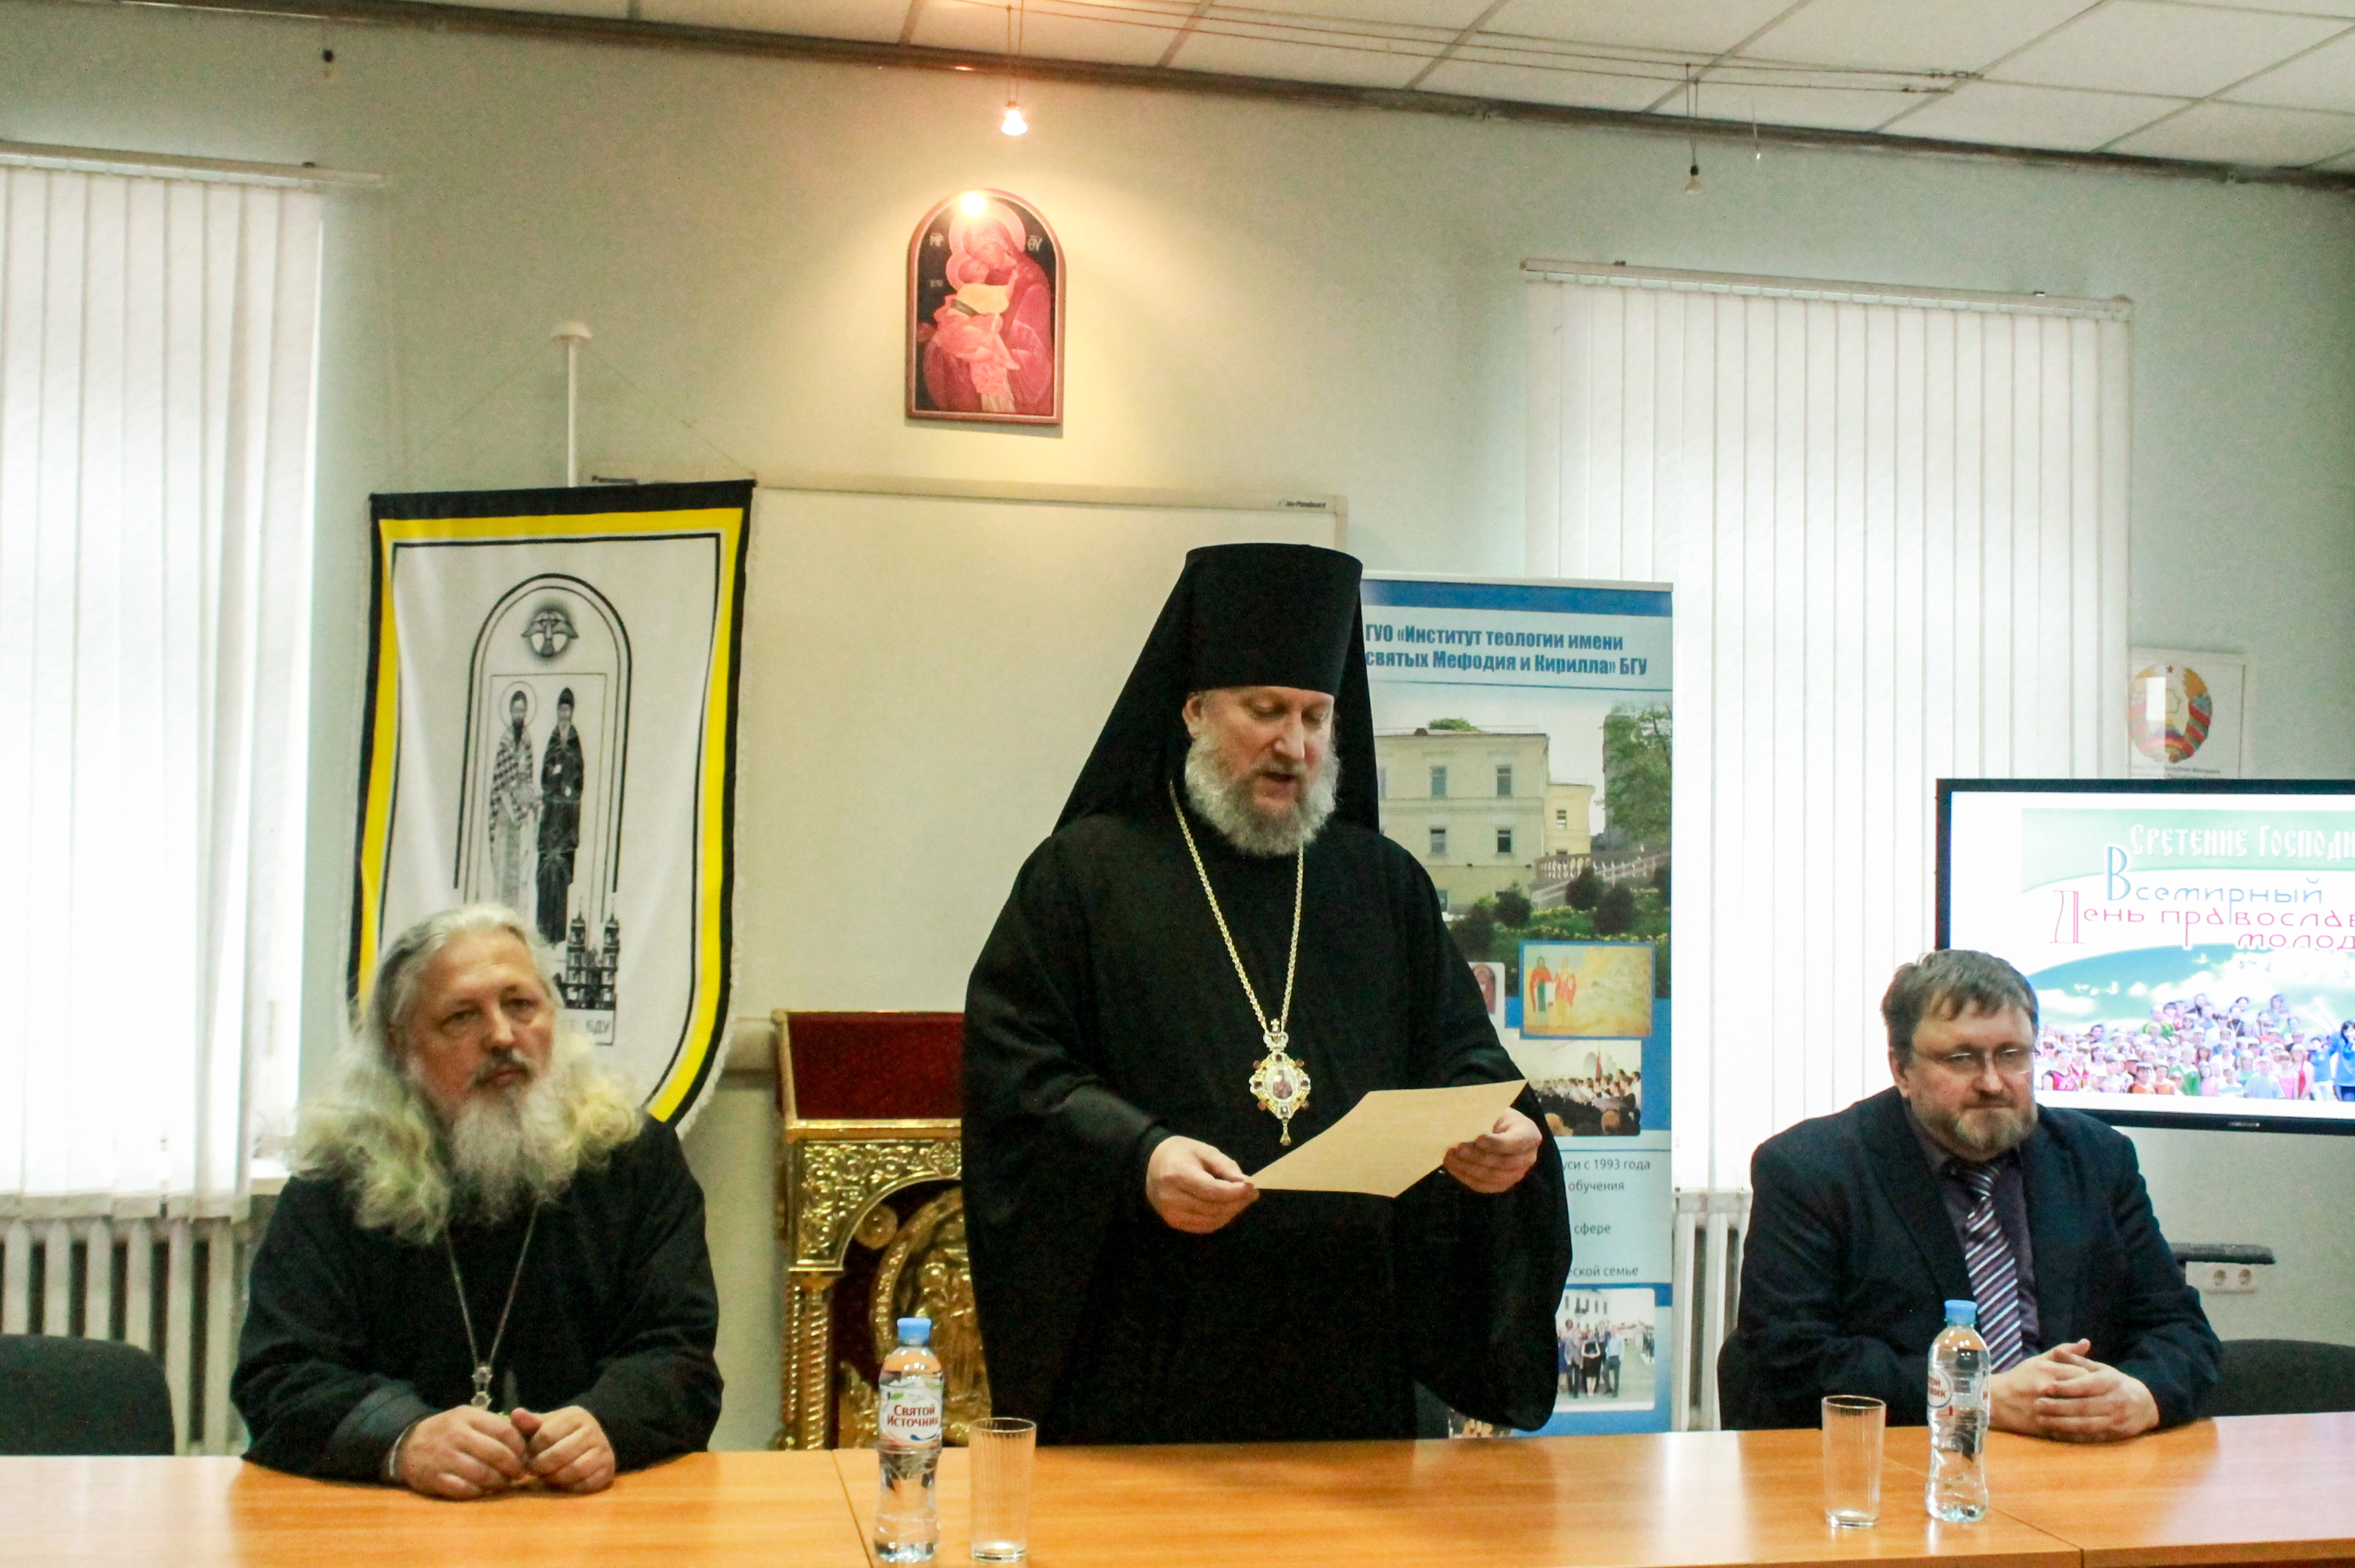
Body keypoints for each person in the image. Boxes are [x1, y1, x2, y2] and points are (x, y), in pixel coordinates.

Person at [961, 542, 1569, 1445]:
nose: (1295, 745)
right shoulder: (1083, 874)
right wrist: (1139, 1155)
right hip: (1150, 1351)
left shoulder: (1381, 883)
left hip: (1351, 1349)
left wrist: (1504, 1129)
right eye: (1266, 710)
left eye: (1316, 716)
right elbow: (1017, 1073)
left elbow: (1460, 1053)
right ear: (1195, 710)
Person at [234, 905, 721, 1496]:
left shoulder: (631, 1158)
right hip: (394, 1520)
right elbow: (278, 1374)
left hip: (582, 1514)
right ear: (400, 1044)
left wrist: (607, 1425)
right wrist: (400, 1438)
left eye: (521, 1005)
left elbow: (679, 1356)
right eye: (461, 1016)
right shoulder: (339, 1178)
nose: (501, 1036)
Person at [1722, 949, 2218, 1440]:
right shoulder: (1811, 1168)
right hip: (1900, 1461)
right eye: (1961, 1059)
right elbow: (1788, 1356)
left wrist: (2142, 1395)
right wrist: (1974, 1396)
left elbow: (2180, 1329)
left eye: (2011, 1055)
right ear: (1902, 1070)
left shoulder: (2097, 1158)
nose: (1992, 1082)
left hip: (2074, 1461)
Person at [536, 690, 584, 943]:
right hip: (551, 812)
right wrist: (553, 771)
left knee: (561, 873)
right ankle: (542, 931)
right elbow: (545, 774)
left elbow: (579, 776)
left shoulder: (574, 739)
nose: (564, 714)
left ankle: (557, 933)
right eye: (561, 710)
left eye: (567, 710)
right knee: (546, 872)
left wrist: (570, 786)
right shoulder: (553, 738)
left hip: (566, 816)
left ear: (572, 712)